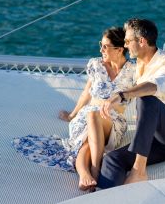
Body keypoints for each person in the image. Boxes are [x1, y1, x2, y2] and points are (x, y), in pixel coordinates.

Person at [12, 27, 135, 192]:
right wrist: (73, 114)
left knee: (94, 118)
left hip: (113, 120)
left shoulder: (132, 71)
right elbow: (86, 92)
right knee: (87, 140)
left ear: (119, 49)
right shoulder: (95, 64)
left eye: (105, 46)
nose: (101, 49)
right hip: (88, 115)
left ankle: (93, 169)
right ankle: (87, 173)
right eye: (101, 44)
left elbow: (144, 91)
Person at [97, 18, 165, 189]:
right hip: (153, 139)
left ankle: (138, 171)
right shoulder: (138, 66)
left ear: (141, 41)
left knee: (147, 98)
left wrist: (122, 95)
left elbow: (153, 86)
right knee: (112, 159)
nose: (125, 46)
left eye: (127, 41)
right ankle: (107, 199)